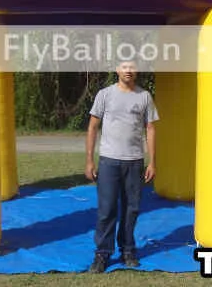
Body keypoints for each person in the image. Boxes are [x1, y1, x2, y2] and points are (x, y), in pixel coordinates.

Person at [85, 59, 159, 273]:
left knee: (131, 209)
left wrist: (152, 162)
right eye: (124, 67)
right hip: (109, 160)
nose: (128, 71)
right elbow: (92, 127)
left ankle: (127, 250)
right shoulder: (105, 94)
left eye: (132, 67)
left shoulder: (144, 96)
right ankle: (102, 253)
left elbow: (150, 129)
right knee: (107, 209)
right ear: (117, 70)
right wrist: (89, 160)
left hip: (134, 161)